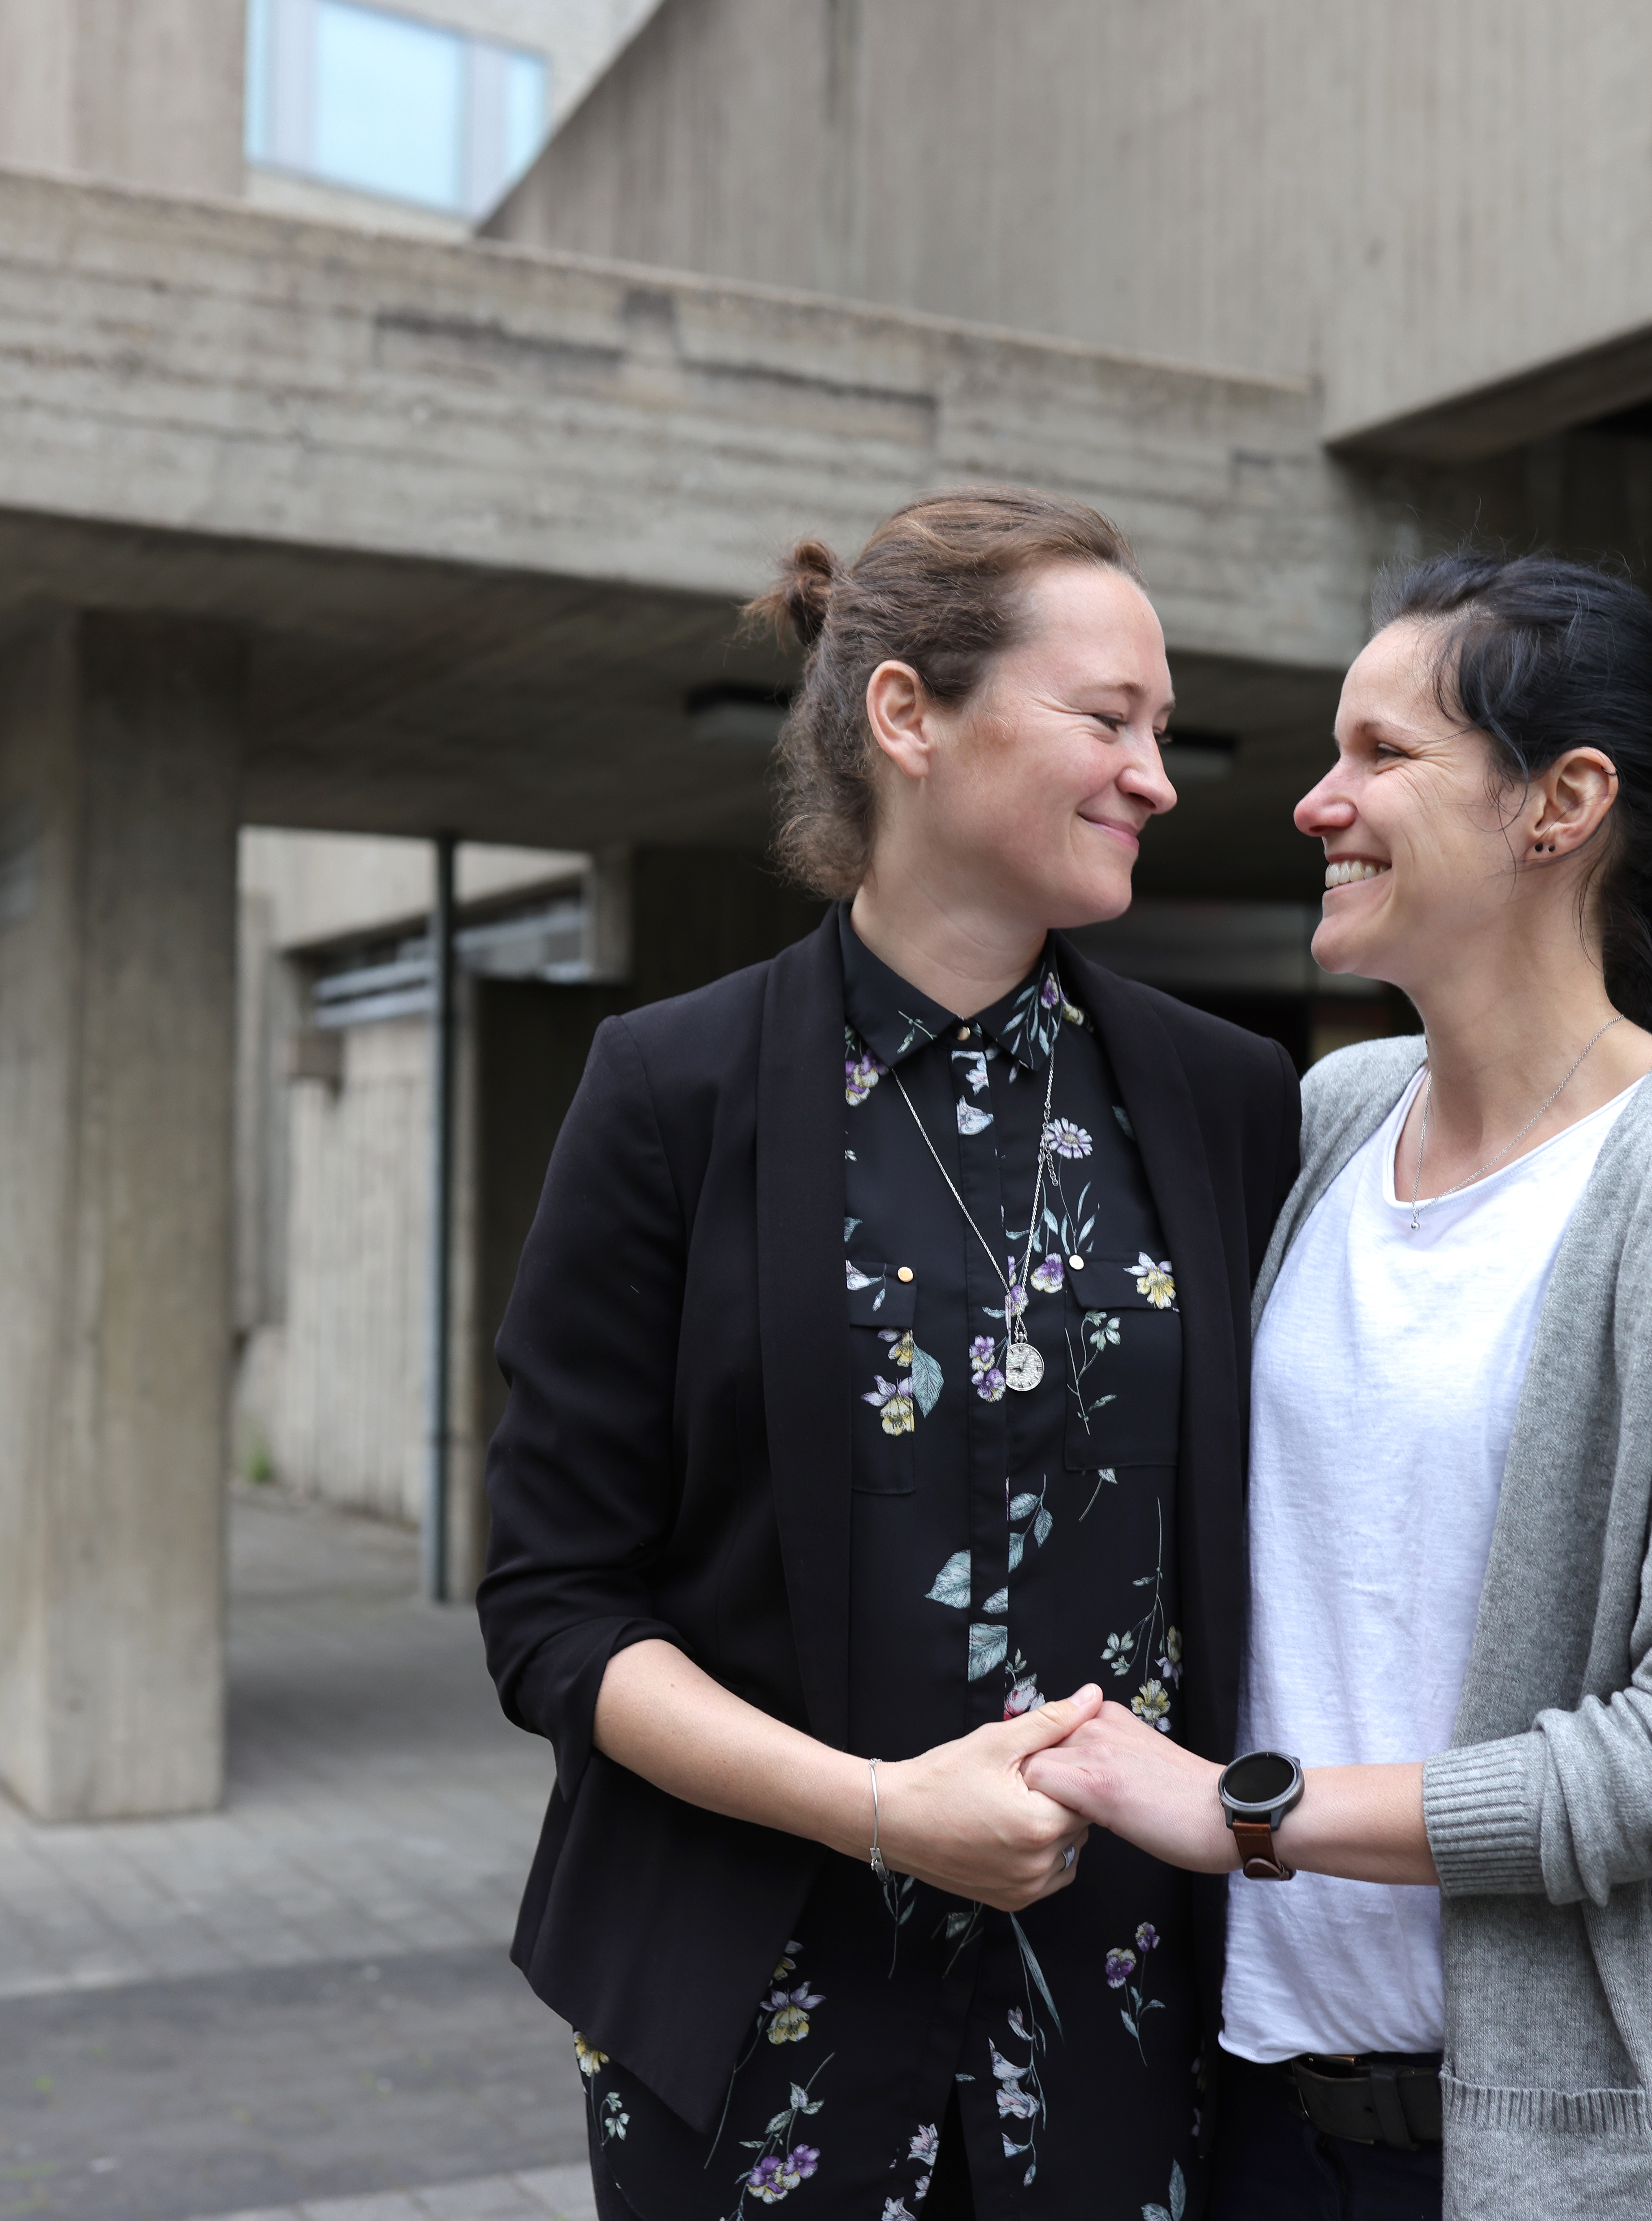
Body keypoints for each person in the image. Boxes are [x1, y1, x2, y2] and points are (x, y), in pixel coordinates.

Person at [1027, 552, 1652, 2221]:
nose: (1313, 802)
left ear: (1557, 803)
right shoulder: (1335, 1119)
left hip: (1568, 2151)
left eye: (1377, 753)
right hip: (1258, 2115)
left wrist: (1241, 1812)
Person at [476, 487, 1301, 2221]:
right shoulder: (667, 1092)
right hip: (751, 2003)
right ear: (908, 715)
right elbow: (556, 1606)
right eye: (1107, 718)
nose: (1157, 774)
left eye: (1164, 729)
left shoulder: (1229, 1104)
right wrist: (873, 1807)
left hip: (1124, 2016)